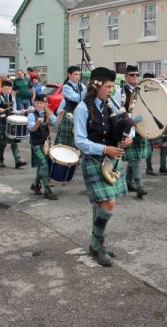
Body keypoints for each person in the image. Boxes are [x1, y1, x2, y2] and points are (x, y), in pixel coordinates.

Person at [74, 67, 133, 267]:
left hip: (111, 160)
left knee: (101, 204)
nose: (112, 90)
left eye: (112, 86)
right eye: (108, 86)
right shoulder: (82, 108)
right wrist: (105, 148)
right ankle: (97, 245)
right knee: (109, 204)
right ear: (96, 86)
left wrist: (128, 137)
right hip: (94, 160)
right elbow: (80, 141)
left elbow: (126, 123)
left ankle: (96, 243)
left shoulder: (110, 105)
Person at [122, 65, 151, 198]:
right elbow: (119, 110)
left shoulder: (142, 90)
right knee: (134, 158)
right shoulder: (121, 91)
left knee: (136, 157)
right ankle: (139, 185)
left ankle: (128, 182)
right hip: (129, 127)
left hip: (142, 127)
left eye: (136, 75)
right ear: (126, 76)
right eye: (131, 75)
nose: (134, 77)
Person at [28, 93, 62, 200]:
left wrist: (61, 114)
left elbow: (56, 124)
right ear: (34, 103)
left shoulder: (48, 114)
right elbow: (32, 129)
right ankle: (47, 190)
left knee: (41, 166)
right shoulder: (31, 115)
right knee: (44, 165)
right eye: (37, 103)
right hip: (36, 144)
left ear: (45, 104)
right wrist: (38, 123)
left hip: (46, 144)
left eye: (41, 103)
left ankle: (35, 185)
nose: (39, 105)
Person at [0, 80, 27, 168]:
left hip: (11, 122)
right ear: (1, 88)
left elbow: (14, 110)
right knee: (2, 143)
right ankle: (1, 159)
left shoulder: (12, 98)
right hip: (3, 122)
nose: (8, 90)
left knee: (14, 142)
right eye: (6, 89)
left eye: (10, 89)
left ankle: (18, 160)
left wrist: (19, 112)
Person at [143, 72, 167, 176]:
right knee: (149, 146)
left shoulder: (157, 89)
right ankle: (149, 167)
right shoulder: (141, 89)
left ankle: (163, 166)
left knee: (165, 143)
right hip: (149, 122)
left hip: (160, 120)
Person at [55, 66, 86, 148]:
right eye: (76, 74)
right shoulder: (66, 87)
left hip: (79, 115)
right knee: (65, 143)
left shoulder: (81, 86)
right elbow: (78, 98)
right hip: (69, 116)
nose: (78, 76)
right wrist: (88, 89)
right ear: (69, 75)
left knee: (76, 140)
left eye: (79, 74)